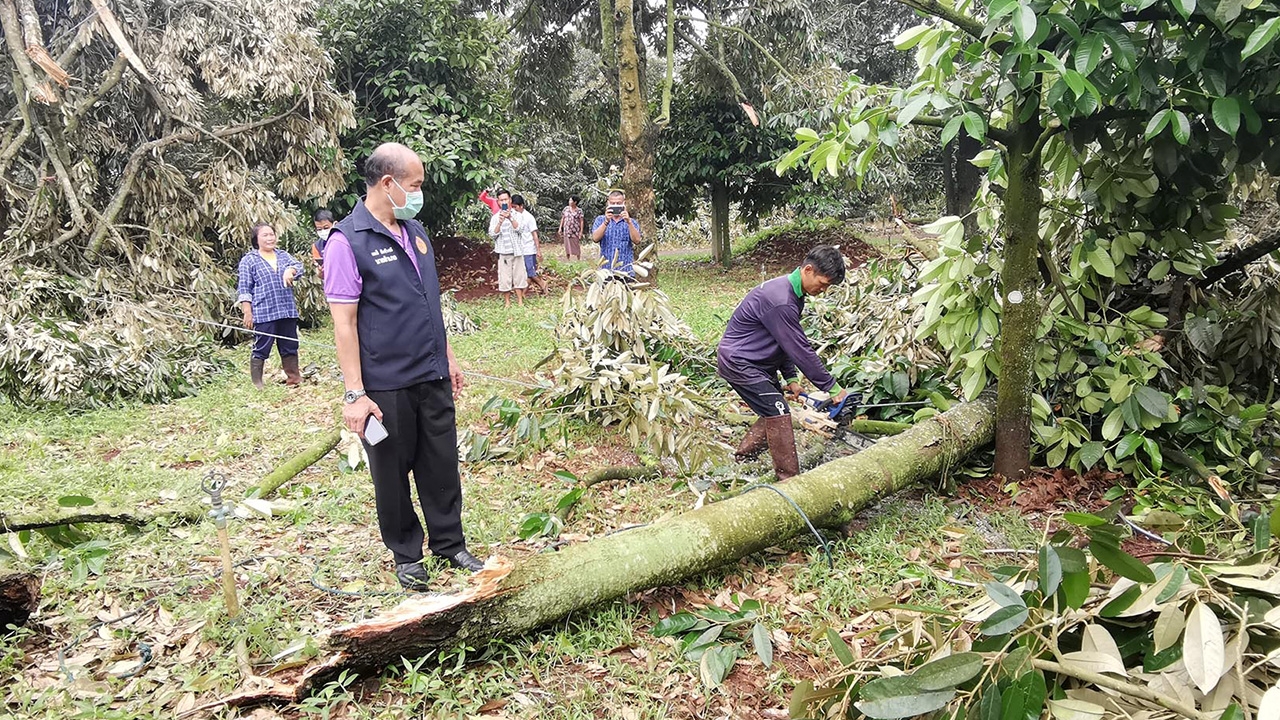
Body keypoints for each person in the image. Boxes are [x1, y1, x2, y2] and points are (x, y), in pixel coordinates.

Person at [322, 142, 485, 589]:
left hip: (430, 374)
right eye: (415, 185)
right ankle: (407, 554)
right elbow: (344, 325)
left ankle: (450, 544)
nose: (419, 193)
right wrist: (355, 393)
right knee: (391, 471)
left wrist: (447, 358)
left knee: (440, 464)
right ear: (388, 183)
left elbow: (430, 302)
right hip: (385, 383)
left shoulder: (415, 232)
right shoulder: (346, 242)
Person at [716, 245, 850, 480]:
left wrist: (791, 378)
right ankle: (789, 480)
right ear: (808, 269)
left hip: (757, 361)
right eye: (823, 283)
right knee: (778, 410)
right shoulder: (781, 300)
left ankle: (742, 458)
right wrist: (831, 387)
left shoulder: (793, 295)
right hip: (740, 361)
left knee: (773, 410)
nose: (824, 289)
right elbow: (800, 349)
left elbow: (784, 341)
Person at [237, 223, 304, 389]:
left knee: (289, 344)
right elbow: (244, 288)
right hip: (264, 311)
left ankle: (293, 378)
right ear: (256, 240)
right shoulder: (249, 260)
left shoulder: (282, 255)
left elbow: (299, 266)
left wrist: (291, 270)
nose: (270, 238)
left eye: (272, 234)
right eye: (265, 235)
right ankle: (258, 382)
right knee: (262, 346)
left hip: (286, 309)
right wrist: (247, 311)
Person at [488, 189, 527, 308]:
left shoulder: (518, 215)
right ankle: (507, 302)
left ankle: (520, 301)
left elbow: (520, 229)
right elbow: (492, 234)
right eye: (501, 200)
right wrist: (500, 223)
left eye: (506, 199)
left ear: (510, 200)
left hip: (517, 251)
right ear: (498, 202)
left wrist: (510, 218)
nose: (504, 201)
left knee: (519, 276)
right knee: (505, 278)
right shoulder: (495, 218)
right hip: (503, 252)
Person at [590, 189, 641, 276]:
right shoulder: (600, 220)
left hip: (626, 271)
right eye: (613, 203)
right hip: (606, 271)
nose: (615, 206)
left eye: (618, 203)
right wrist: (606, 222)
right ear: (608, 203)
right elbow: (595, 238)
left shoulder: (631, 222)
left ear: (624, 203)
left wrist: (628, 222)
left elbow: (637, 240)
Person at [511, 194, 547, 295]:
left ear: (521, 206)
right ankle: (523, 293)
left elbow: (534, 234)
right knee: (526, 272)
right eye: (512, 207)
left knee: (530, 272)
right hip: (519, 249)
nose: (514, 209)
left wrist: (538, 250)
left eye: (515, 207)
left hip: (528, 248)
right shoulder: (514, 216)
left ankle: (543, 284)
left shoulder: (528, 217)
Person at [311, 209, 335, 279]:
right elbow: (320, 275)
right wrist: (321, 272)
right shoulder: (316, 246)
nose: (323, 231)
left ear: (334, 224)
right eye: (319, 229)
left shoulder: (344, 240)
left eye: (326, 228)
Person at [559, 195, 584, 261]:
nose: (569, 201)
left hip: (575, 231)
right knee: (567, 245)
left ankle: (578, 259)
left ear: (575, 202)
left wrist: (581, 232)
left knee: (576, 245)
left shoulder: (579, 211)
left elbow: (581, 221)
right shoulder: (566, 209)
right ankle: (568, 259)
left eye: (571, 200)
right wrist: (560, 228)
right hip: (567, 230)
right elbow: (563, 218)